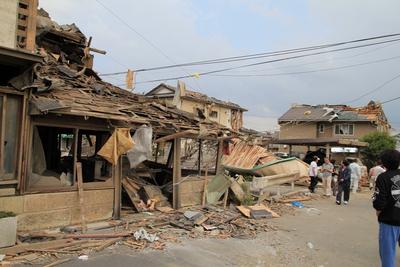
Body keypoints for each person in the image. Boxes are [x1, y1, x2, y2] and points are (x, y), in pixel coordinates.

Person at [372, 150, 400, 267]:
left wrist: (378, 211)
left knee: (388, 255)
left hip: (389, 220)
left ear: (383, 163)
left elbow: (379, 202)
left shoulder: (383, 177)